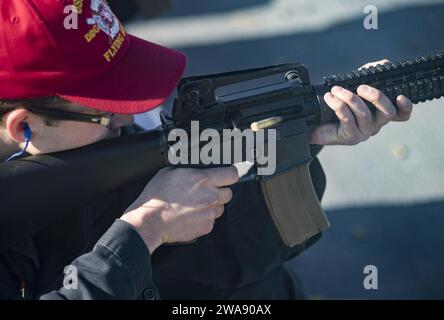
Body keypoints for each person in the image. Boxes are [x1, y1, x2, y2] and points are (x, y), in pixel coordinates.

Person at [0, 0, 413, 299]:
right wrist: (142, 233)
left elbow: (219, 256)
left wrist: (296, 137)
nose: (131, 119)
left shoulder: (82, 149)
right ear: (23, 127)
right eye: (108, 112)